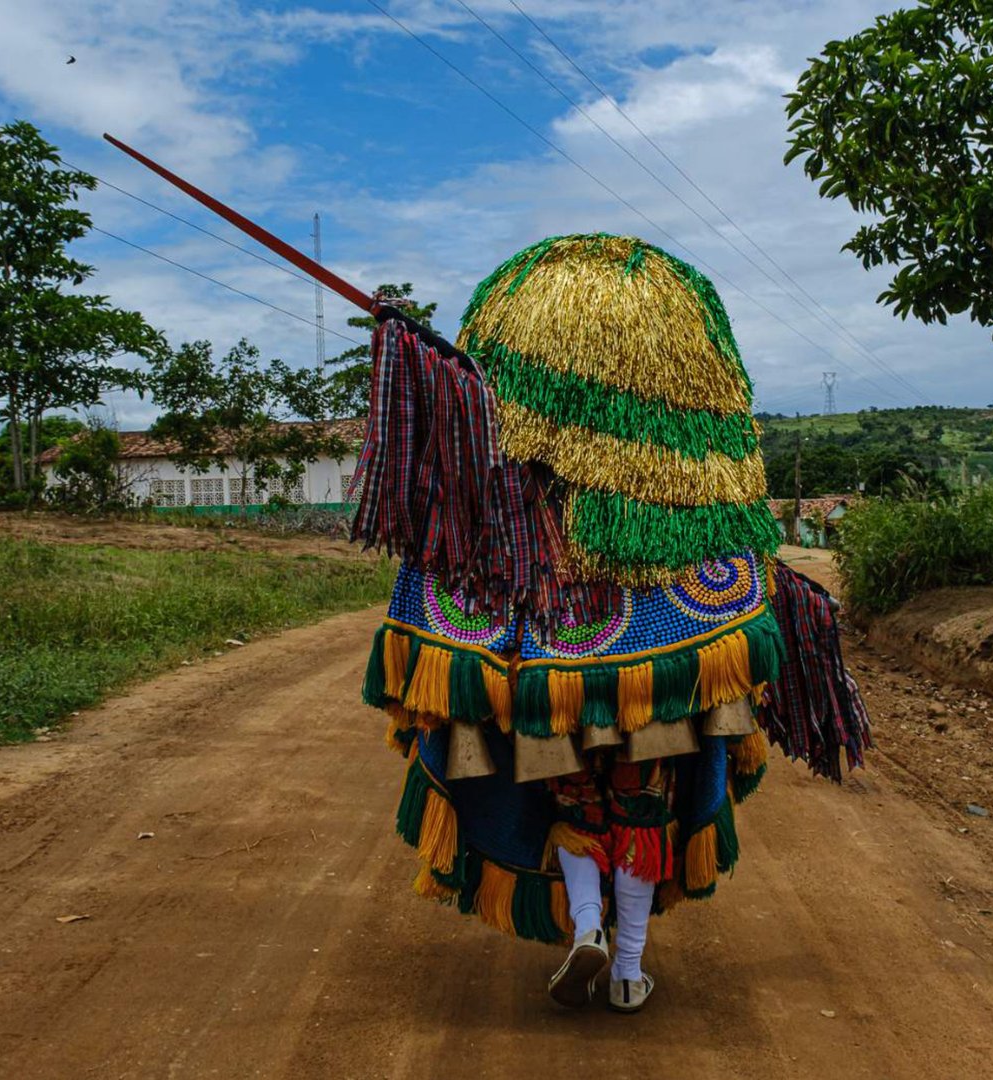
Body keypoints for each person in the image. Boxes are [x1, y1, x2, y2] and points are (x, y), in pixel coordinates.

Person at [353, 234, 868, 1011]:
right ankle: (628, 967)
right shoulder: (698, 533)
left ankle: (587, 928)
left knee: (572, 812)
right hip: (655, 705)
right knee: (644, 813)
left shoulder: (501, 535)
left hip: (542, 687)